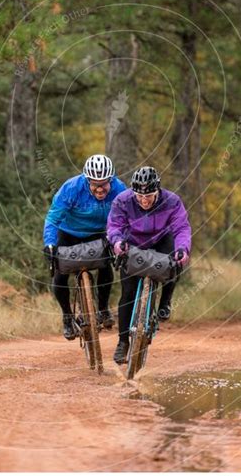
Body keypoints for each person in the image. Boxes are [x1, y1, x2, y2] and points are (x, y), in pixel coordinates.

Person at [107, 166, 191, 364]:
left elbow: (181, 227)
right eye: (140, 196)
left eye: (149, 196)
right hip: (133, 241)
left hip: (161, 239)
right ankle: (123, 342)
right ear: (133, 193)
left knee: (174, 261)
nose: (144, 201)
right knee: (127, 293)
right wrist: (118, 243)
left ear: (158, 191)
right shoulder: (122, 200)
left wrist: (183, 249)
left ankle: (165, 302)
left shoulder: (172, 201)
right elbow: (114, 226)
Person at [43, 154, 126, 340]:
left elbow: (127, 217)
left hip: (99, 233)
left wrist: (123, 239)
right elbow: (53, 218)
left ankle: (103, 308)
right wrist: (49, 243)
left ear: (111, 179)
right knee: (60, 274)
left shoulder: (120, 189)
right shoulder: (71, 188)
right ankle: (67, 317)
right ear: (87, 179)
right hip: (68, 232)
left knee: (106, 265)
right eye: (95, 184)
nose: (100, 189)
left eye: (104, 184)